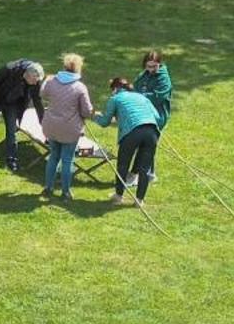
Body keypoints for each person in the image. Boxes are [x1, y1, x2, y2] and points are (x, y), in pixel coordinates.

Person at [94, 77, 165, 208]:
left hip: (132, 133)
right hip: (152, 131)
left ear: (115, 89)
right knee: (144, 169)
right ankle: (139, 200)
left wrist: (95, 115)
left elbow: (105, 122)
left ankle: (118, 196)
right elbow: (158, 118)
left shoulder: (115, 99)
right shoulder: (142, 98)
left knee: (123, 165)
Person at [39, 54, 96, 200]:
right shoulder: (79, 87)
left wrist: (46, 80)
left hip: (51, 126)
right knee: (67, 160)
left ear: (64, 66)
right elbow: (86, 111)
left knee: (53, 157)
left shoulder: (52, 81)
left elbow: (43, 94)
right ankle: (65, 192)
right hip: (70, 130)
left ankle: (48, 187)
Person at [137, 50, 174, 126]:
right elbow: (136, 88)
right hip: (141, 112)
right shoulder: (143, 75)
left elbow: (158, 97)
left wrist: (140, 97)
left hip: (157, 114)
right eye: (149, 66)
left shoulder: (164, 79)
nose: (151, 69)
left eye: (154, 66)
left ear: (159, 64)